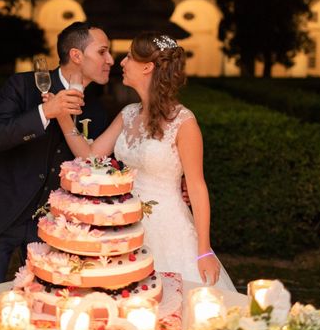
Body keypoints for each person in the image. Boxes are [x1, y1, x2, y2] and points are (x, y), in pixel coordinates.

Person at [50, 32, 236, 291]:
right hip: (126, 225)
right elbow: (90, 157)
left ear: (148, 67)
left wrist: (203, 250)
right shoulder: (127, 114)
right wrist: (62, 118)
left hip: (169, 229)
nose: (121, 62)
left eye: (128, 57)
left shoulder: (183, 123)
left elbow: (196, 187)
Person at [0, 22, 113, 283]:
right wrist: (44, 113)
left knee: (44, 304)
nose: (110, 60)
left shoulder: (96, 110)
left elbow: (96, 168)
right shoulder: (23, 85)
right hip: (0, 216)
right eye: (103, 52)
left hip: (51, 225)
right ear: (76, 55)